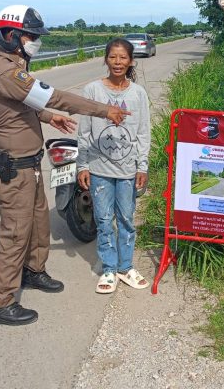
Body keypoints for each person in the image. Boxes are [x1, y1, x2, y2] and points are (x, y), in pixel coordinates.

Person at [0, 5, 129, 326]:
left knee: (38, 225)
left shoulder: (8, 68)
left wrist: (49, 118)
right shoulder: (8, 72)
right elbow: (53, 96)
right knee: (15, 233)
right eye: (30, 36)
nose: (36, 42)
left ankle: (33, 272)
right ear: (10, 36)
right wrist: (105, 110)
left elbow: (28, 106)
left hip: (29, 165)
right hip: (13, 169)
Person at [76, 37, 151, 294]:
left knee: (127, 219)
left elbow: (143, 133)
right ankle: (109, 268)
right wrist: (82, 165)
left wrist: (143, 166)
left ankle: (125, 266)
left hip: (129, 170)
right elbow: (84, 131)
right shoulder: (92, 91)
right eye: (112, 57)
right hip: (99, 169)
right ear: (105, 59)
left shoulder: (138, 93)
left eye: (123, 58)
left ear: (131, 61)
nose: (117, 62)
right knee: (104, 219)